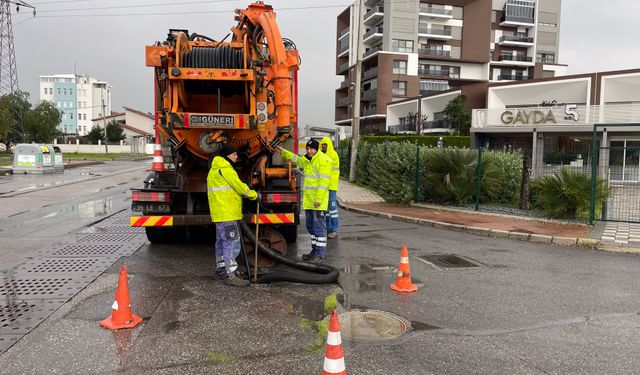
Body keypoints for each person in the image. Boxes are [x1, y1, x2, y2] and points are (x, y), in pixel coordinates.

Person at [207, 145, 258, 287]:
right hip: (227, 212)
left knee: (221, 242)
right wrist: (254, 195)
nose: (236, 157)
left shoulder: (213, 170)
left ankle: (221, 270)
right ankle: (231, 275)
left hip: (219, 214)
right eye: (234, 154)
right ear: (227, 156)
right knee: (231, 242)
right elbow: (240, 187)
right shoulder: (227, 170)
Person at [275, 138, 332, 262]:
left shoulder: (324, 161)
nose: (309, 151)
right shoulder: (308, 160)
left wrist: (318, 200)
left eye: (311, 149)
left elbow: (324, 183)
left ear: (316, 149)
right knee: (311, 227)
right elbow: (297, 159)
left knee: (319, 228)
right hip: (309, 201)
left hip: (318, 202)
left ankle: (319, 255)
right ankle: (314, 250)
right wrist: (283, 151)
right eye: (307, 149)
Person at [320, 137, 340, 238]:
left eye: (325, 145)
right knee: (326, 209)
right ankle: (328, 229)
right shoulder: (320, 155)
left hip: (331, 186)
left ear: (329, 145)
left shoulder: (333, 155)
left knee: (332, 208)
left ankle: (334, 230)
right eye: (322, 145)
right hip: (323, 187)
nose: (324, 146)